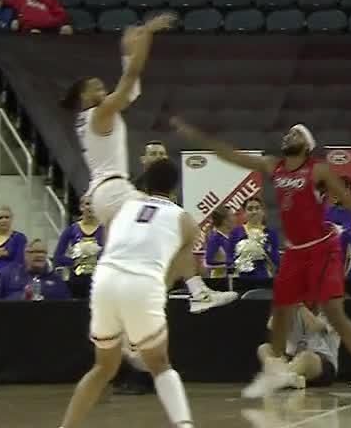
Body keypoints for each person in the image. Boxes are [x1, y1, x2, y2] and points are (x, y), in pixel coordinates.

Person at [171, 118, 351, 404]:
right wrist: (197, 136)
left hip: (322, 248)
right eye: (287, 133)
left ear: (307, 145)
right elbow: (232, 155)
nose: (289, 135)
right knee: (282, 308)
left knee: (333, 312)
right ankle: (276, 369)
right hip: (295, 251)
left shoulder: (317, 169)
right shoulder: (273, 166)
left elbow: (345, 197)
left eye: (296, 133)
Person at [59, 11, 234, 315]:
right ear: (83, 97)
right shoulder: (99, 113)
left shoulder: (93, 116)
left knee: (162, 242)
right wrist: (148, 33)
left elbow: (130, 91)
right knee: (184, 226)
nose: (102, 88)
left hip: (108, 195)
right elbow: (128, 81)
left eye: (102, 85)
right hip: (113, 193)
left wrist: (128, 52)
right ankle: (189, 293)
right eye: (95, 86)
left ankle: (151, 303)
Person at [57, 158, 231, 428]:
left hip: (105, 280)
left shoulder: (123, 208)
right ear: (175, 188)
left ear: (146, 184)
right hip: (143, 283)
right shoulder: (185, 220)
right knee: (160, 365)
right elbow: (174, 272)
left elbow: (111, 246)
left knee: (103, 367)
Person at [265, 304, 342, 389]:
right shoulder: (293, 310)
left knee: (307, 357)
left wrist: (300, 306)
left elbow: (314, 326)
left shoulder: (332, 312)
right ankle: (290, 379)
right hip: (293, 359)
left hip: (322, 365)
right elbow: (272, 326)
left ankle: (277, 378)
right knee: (265, 349)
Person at [227, 197, 280, 279]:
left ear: (263, 211)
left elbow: (276, 261)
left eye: (257, 208)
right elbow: (229, 257)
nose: (254, 212)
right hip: (241, 278)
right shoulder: (236, 232)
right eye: (250, 209)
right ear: (244, 213)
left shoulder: (270, 233)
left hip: (264, 277)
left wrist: (264, 250)